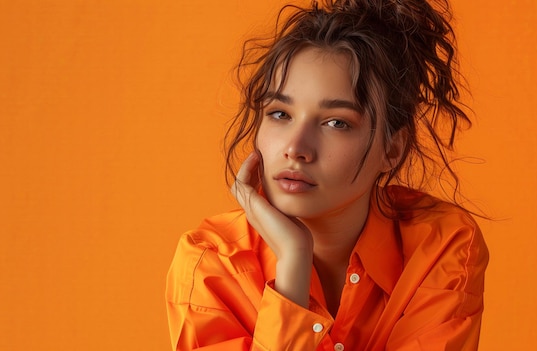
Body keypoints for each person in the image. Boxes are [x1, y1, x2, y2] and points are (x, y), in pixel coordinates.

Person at [166, 0, 489, 350]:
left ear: (393, 148)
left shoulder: (439, 245)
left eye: (336, 122)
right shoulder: (210, 263)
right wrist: (292, 264)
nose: (296, 148)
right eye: (279, 114)